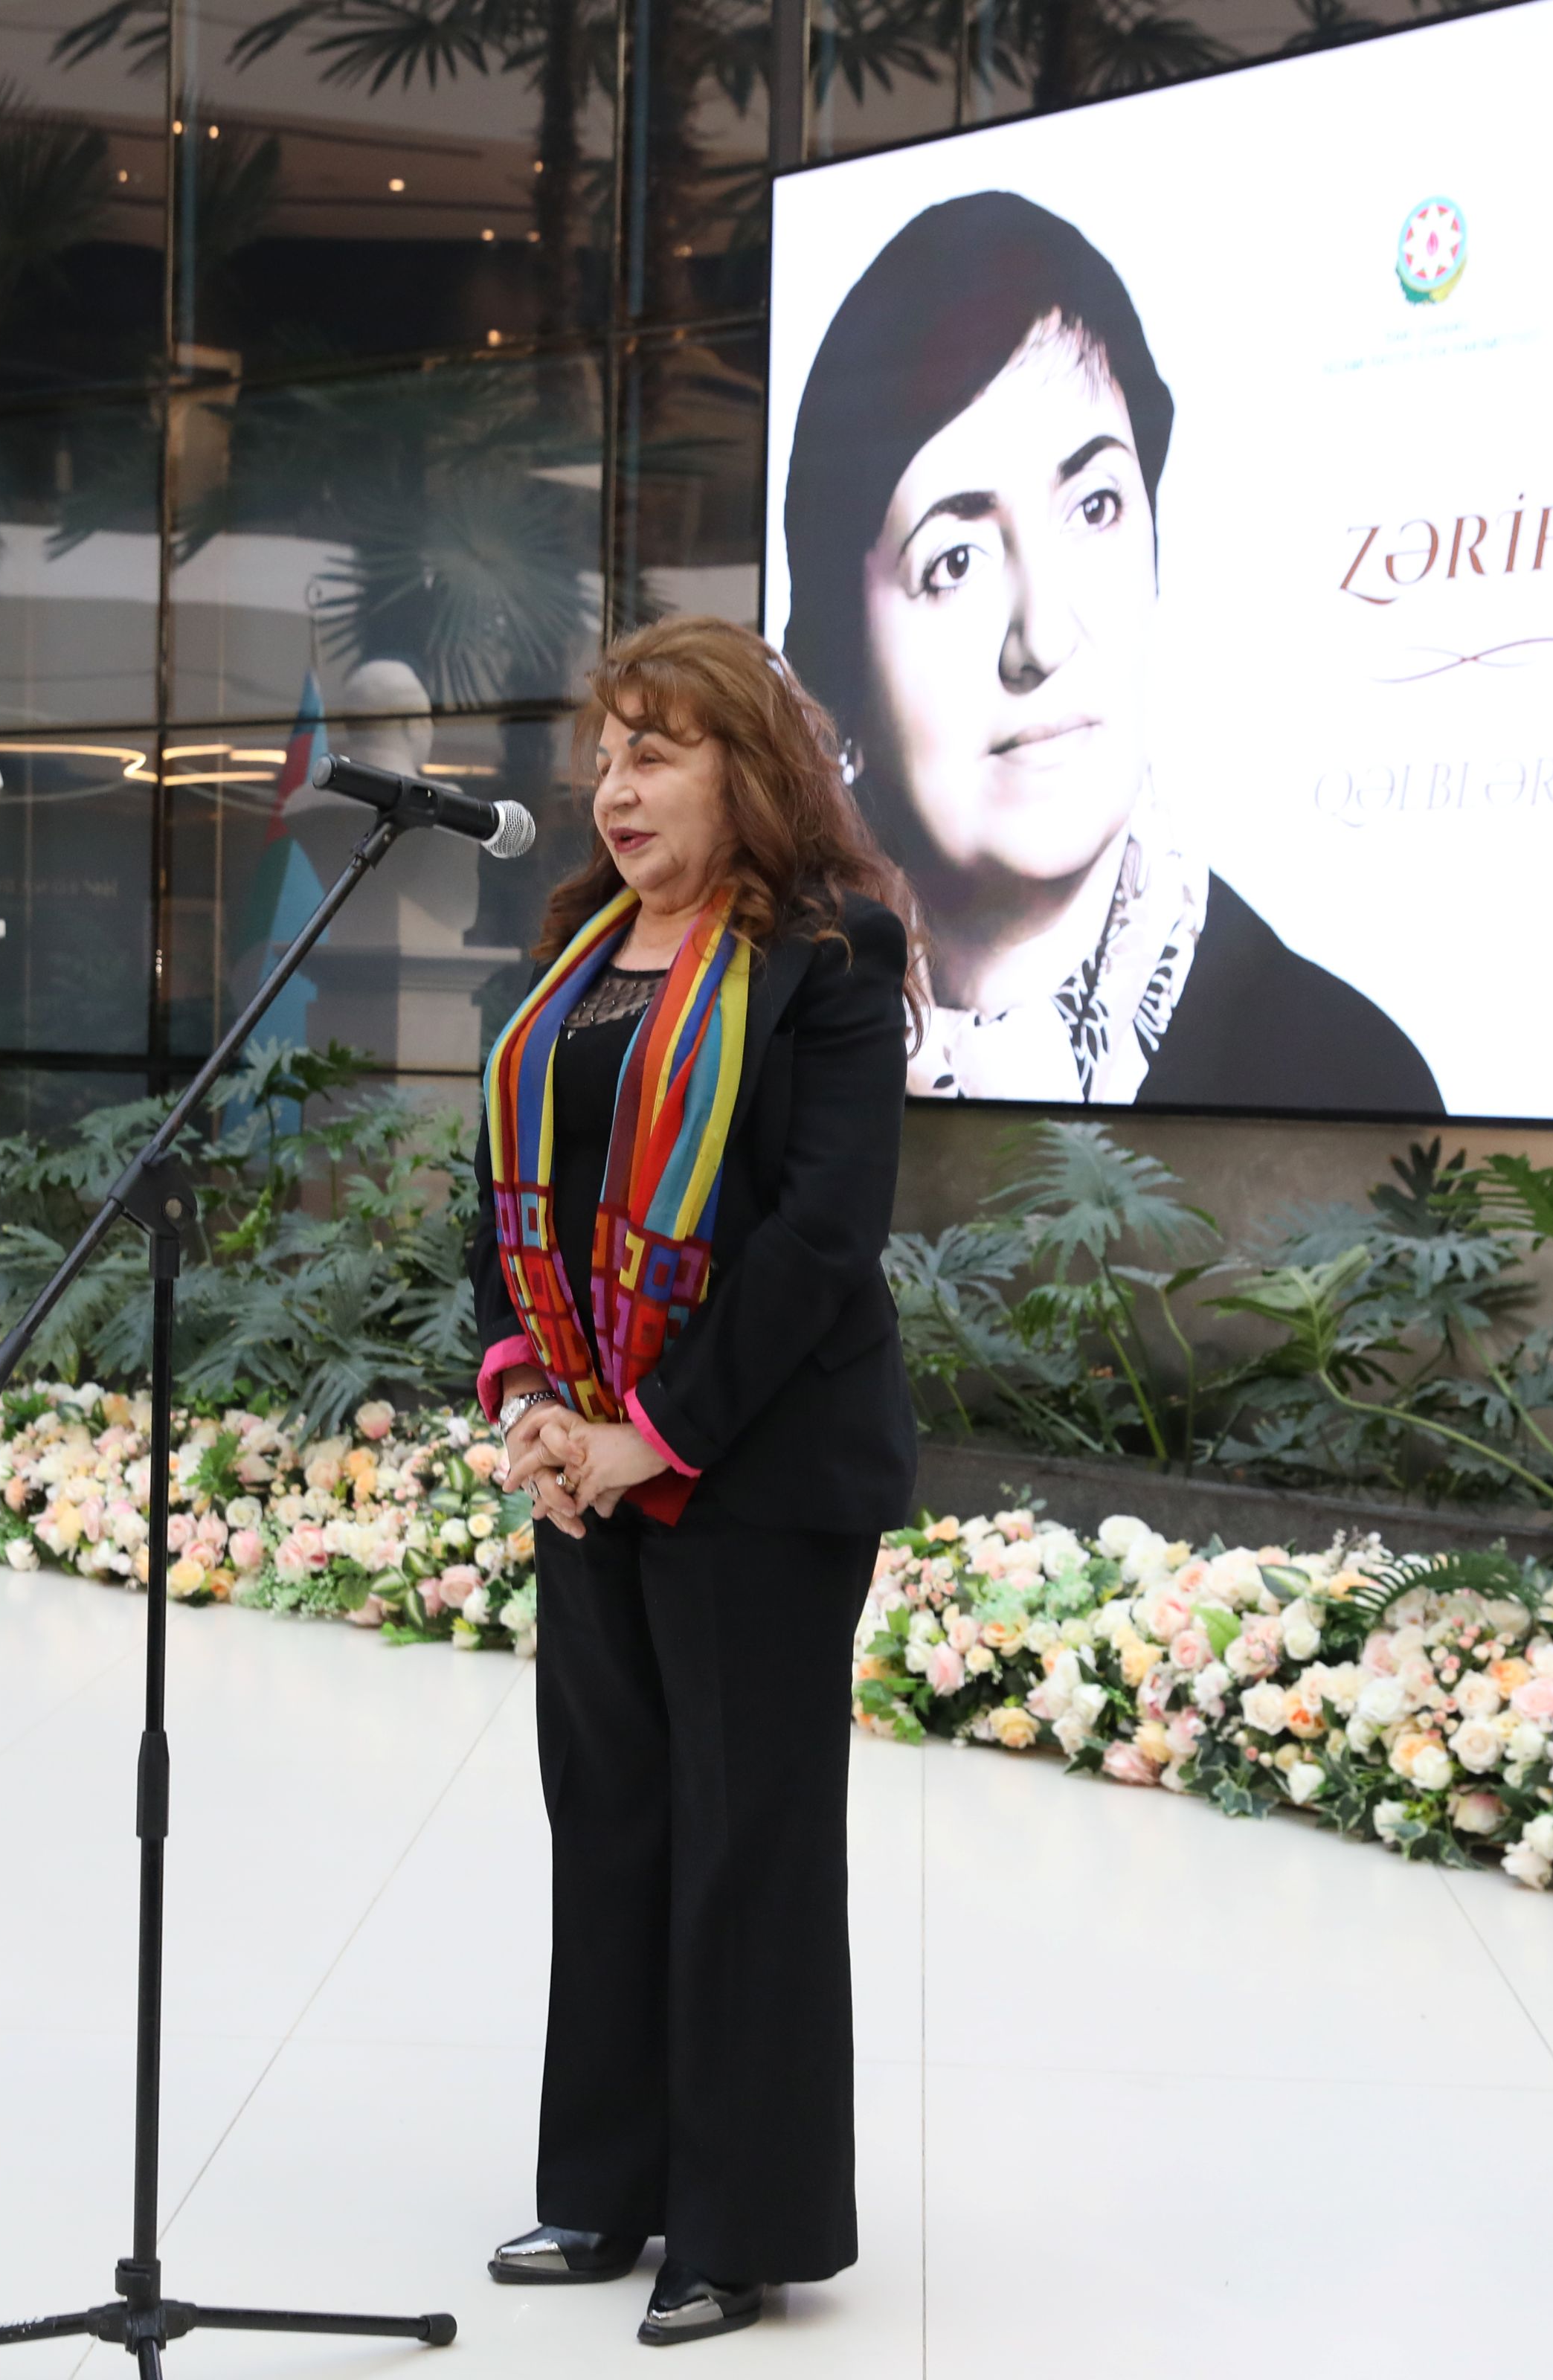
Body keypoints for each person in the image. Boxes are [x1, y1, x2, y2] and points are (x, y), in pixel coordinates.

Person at [471, 614, 917, 2347]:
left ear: (748, 765)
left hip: (757, 1469)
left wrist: (650, 1431)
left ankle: (737, 2225)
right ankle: (605, 2186)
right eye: (607, 755)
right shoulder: (578, 949)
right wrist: (532, 1398)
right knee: (612, 1822)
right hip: (583, 1461)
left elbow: (820, 1237)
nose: (617, 786)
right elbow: (505, 1189)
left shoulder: (831, 954)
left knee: (747, 1846)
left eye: (656, 752)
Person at [781, 189, 1444, 1114]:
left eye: (1095, 508)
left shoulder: (1343, 1076)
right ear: (838, 676)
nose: (1045, 637)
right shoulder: (768, 1040)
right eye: (955, 561)